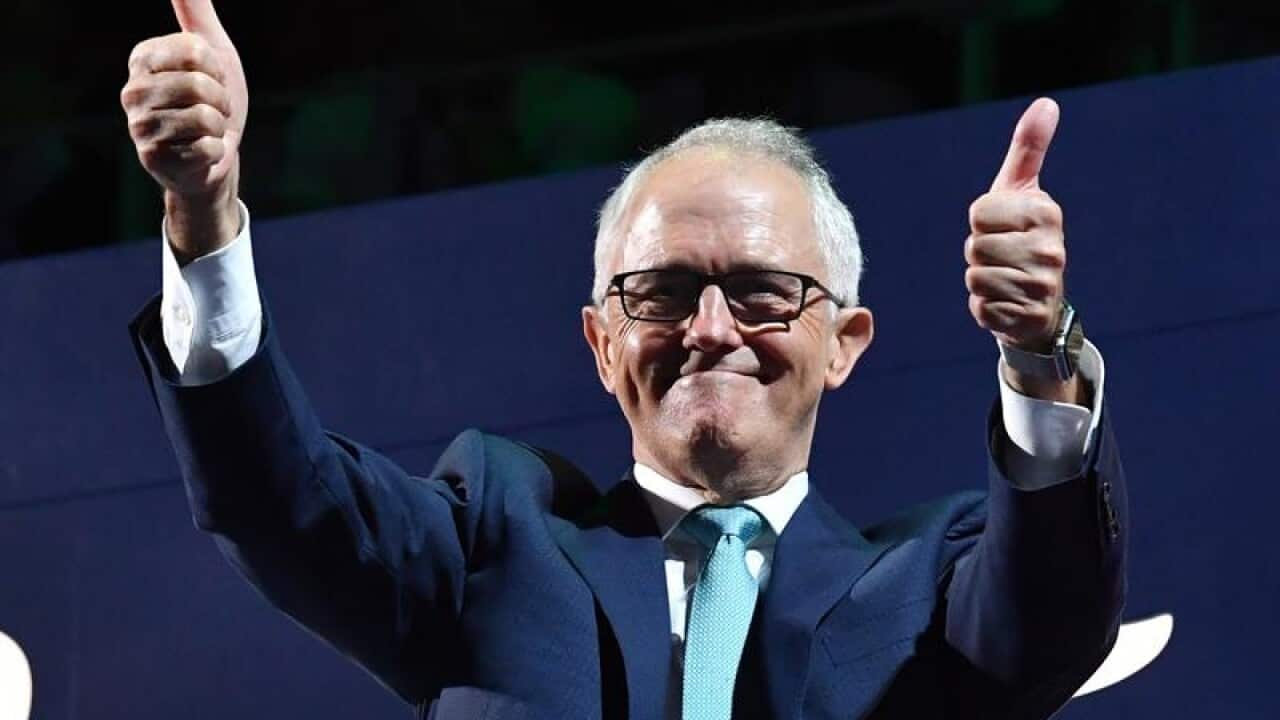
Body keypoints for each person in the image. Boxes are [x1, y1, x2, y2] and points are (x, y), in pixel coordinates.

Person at [121, 2, 1127, 718]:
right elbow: (275, 497)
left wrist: (1039, 353)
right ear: (602, 344)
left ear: (843, 344)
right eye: (661, 293)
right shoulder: (492, 548)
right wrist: (202, 215)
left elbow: (1053, 609)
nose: (711, 327)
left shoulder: (929, 594)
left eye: (766, 292)